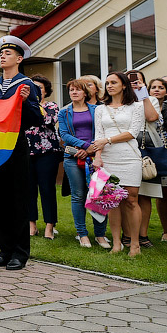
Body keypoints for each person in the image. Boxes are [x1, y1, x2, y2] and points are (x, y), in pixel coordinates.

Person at [0, 36, 43, 271]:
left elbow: (37, 120)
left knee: (18, 199)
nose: (3, 56)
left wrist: (28, 102)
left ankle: (20, 252)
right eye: (1, 53)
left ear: (19, 59)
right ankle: (4, 250)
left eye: (8, 53)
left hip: (17, 146)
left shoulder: (26, 85)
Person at [91, 71, 157, 257]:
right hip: (108, 158)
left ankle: (135, 244)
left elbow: (132, 132)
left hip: (129, 156)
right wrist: (98, 156)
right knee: (112, 202)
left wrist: (107, 141)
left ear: (124, 85)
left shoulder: (136, 107)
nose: (109, 86)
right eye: (107, 83)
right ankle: (117, 243)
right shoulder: (100, 109)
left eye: (114, 82)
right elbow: (98, 136)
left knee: (131, 199)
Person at [58, 79, 109, 248]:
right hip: (73, 158)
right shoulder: (64, 113)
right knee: (78, 196)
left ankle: (100, 235)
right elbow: (64, 135)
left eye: (77, 90)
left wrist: (92, 149)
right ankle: (82, 234)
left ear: (85, 93)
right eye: (71, 90)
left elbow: (102, 130)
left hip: (97, 157)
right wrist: (85, 147)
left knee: (98, 195)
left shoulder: (97, 110)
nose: (74, 92)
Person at [26, 74, 62, 240]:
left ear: (46, 91)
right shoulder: (24, 105)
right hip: (26, 152)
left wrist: (34, 104)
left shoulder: (51, 106)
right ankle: (31, 224)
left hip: (47, 154)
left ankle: (49, 225)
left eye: (39, 87)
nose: (35, 90)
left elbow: (46, 120)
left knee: (47, 190)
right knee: (29, 190)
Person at [135, 78, 167, 248]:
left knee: (146, 195)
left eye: (138, 81)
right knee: (128, 196)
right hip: (124, 149)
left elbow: (151, 117)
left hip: (147, 150)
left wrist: (143, 95)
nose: (134, 83)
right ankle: (128, 235)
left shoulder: (150, 100)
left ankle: (143, 235)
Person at [147, 78, 167, 243]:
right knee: (162, 195)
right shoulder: (146, 107)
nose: (156, 90)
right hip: (155, 153)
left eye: (160, 87)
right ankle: (166, 231)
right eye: (153, 87)